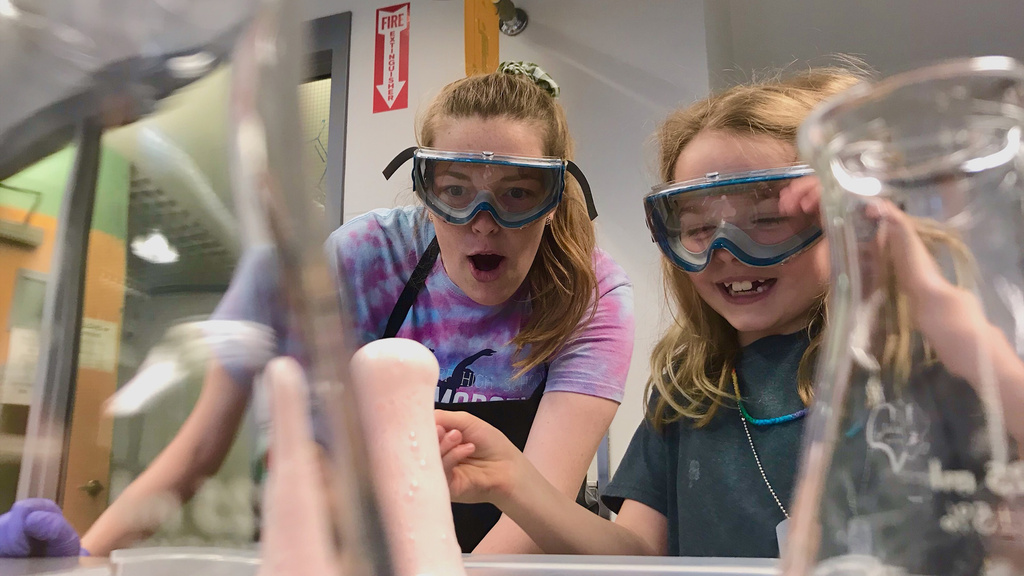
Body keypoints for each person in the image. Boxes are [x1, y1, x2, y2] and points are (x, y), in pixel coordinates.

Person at [0, 63, 635, 557]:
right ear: (426, 190)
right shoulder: (364, 259)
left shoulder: (591, 292)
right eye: (454, 193)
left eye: (518, 194)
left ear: (553, 199)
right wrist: (84, 556)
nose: (483, 225)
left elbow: (538, 501)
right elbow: (206, 453)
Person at [435, 66, 1022, 567]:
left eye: (766, 219)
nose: (725, 251)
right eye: (696, 228)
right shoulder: (691, 387)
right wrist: (511, 481)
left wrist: (940, 313)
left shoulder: (934, 363)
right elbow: (638, 557)